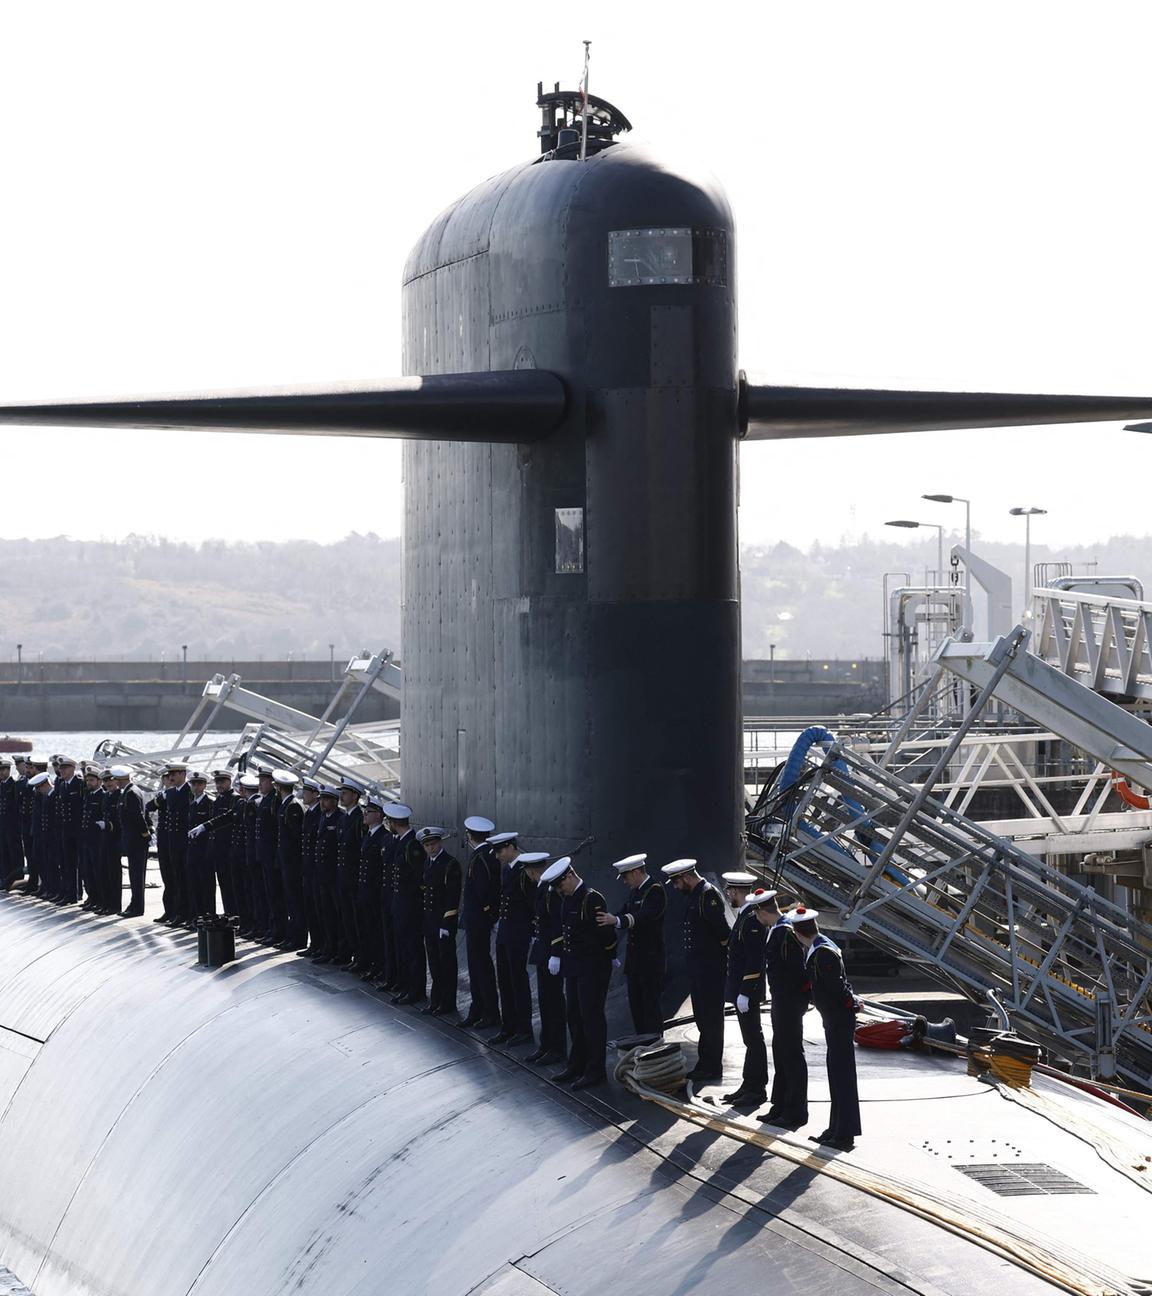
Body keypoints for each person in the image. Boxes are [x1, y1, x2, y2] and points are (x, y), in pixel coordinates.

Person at [786, 907, 861, 1152]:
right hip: (833, 1020)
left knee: (842, 1077)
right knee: (836, 1074)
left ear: (798, 934)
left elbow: (838, 988)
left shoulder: (822, 953)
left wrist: (853, 1003)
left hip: (839, 1020)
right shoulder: (821, 947)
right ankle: (835, 1128)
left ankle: (844, 1133)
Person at [545, 857, 616, 1089]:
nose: (559, 890)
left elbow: (605, 933)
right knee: (574, 1016)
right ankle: (577, 1064)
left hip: (593, 967)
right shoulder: (568, 898)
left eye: (560, 885)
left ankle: (595, 1071)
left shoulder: (591, 899)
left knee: (591, 1018)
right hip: (574, 967)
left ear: (569, 876)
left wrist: (611, 954)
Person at [662, 859, 730, 1083]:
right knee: (702, 1018)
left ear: (686, 877)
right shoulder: (696, 895)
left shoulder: (707, 896)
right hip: (699, 969)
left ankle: (712, 1066)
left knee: (711, 1020)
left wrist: (713, 962)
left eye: (676, 882)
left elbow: (723, 934)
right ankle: (705, 1063)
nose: (675, 887)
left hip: (709, 970)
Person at [599, 853, 666, 1036]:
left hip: (650, 961)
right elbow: (624, 911)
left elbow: (645, 916)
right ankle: (642, 1043)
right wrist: (607, 920)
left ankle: (654, 1045)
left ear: (636, 872)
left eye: (626, 876)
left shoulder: (654, 890)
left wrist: (617, 920)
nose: (624, 881)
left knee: (650, 1008)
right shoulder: (635, 891)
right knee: (637, 1008)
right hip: (635, 962)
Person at [759, 893, 810, 1130]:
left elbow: (797, 971)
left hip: (788, 1001)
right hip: (781, 1000)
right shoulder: (777, 930)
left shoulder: (785, 932)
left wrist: (799, 1001)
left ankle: (795, 1111)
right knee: (780, 1053)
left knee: (791, 1055)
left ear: (761, 912)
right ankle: (779, 1106)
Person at [723, 882, 772, 1109]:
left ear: (735, 891)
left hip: (747, 991)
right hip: (742, 990)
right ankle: (748, 1084)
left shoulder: (752, 921)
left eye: (730, 892)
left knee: (753, 1039)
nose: (729, 895)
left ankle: (756, 1089)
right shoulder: (746, 917)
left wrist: (744, 992)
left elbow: (754, 960)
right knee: (749, 1039)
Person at [490, 832, 534, 1044]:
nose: (497, 856)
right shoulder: (508, 869)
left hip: (518, 934)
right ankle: (508, 1026)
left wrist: (532, 933)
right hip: (505, 933)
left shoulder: (524, 871)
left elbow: (532, 904)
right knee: (505, 981)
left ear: (510, 847)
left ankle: (524, 1029)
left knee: (518, 981)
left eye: (499, 851)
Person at [458, 815, 499, 1028]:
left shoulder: (481, 858)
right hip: (477, 920)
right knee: (477, 967)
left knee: (480, 967)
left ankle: (488, 1012)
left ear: (469, 836)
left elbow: (484, 893)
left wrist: (488, 915)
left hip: (478, 921)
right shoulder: (486, 855)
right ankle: (479, 1009)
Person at [526, 854, 566, 1064]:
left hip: (551, 954)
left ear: (532, 871)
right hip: (543, 952)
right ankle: (546, 1044)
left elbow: (557, 924)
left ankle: (557, 1048)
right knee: (544, 1001)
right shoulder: (542, 889)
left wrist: (556, 954)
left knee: (554, 1002)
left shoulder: (550, 891)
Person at [418, 826, 462, 1016]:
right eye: (427, 845)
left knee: (447, 963)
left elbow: (453, 897)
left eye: (433, 844)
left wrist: (446, 924)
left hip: (443, 921)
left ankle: (447, 1002)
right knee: (434, 963)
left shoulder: (450, 864)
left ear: (440, 843)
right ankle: (435, 1000)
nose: (431, 848)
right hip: (429, 921)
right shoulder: (427, 863)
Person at [386, 804, 426, 1003]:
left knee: (412, 948)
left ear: (394, 823)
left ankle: (415, 990)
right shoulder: (402, 842)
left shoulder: (412, 844)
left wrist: (412, 903)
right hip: (400, 904)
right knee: (403, 947)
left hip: (410, 906)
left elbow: (419, 877)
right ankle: (406, 986)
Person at [355, 798, 388, 979]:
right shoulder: (368, 835)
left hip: (374, 892)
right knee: (366, 929)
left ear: (379, 815)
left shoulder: (383, 837)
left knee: (376, 931)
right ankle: (368, 962)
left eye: (369, 812)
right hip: (364, 890)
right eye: (365, 812)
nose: (365, 815)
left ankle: (379, 966)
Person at [113, 765, 150, 917]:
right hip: (133, 839)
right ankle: (135, 904)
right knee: (135, 874)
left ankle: (137, 907)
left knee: (136, 875)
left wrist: (145, 834)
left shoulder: (131, 793)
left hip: (136, 840)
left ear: (119, 780)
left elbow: (138, 816)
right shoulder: (132, 791)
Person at [274, 770, 305, 950]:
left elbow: (295, 837)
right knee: (290, 900)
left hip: (292, 862)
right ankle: (292, 936)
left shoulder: (292, 806)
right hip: (286, 861)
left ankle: (298, 938)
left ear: (279, 787)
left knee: (295, 901)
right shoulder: (285, 805)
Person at [311, 787, 343, 962]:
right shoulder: (323, 817)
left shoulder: (340, 818)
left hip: (333, 875)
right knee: (324, 913)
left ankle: (338, 950)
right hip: (321, 874)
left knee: (335, 915)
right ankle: (327, 947)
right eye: (321, 799)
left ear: (334, 801)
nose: (322, 803)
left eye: (326, 799)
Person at [335, 781, 364, 968]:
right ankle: (349, 953)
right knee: (345, 918)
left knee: (355, 920)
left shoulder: (359, 819)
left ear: (355, 796)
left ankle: (360, 957)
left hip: (352, 878)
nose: (341, 796)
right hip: (343, 877)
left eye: (345, 793)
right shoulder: (345, 818)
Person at [296, 777, 324, 958]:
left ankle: (321, 944)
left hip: (316, 869)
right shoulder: (309, 813)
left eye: (306, 792)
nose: (303, 795)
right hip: (307, 868)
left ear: (315, 794)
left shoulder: (319, 814)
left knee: (318, 909)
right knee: (310, 908)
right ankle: (314, 943)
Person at [185, 772, 215, 917]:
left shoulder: (210, 803)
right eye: (193, 784)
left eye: (199, 784)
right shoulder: (192, 804)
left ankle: (207, 916)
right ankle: (196, 916)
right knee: (194, 884)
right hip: (193, 849)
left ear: (204, 785)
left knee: (206, 885)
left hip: (205, 850)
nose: (196, 787)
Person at [79, 767, 107, 912]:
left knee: (97, 870)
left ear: (99, 781)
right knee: (87, 870)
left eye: (91, 780)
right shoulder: (88, 795)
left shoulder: (102, 796)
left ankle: (100, 900)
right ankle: (92, 897)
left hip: (97, 839)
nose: (88, 783)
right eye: (87, 780)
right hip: (86, 838)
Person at [100, 769, 122, 915]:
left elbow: (120, 819)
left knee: (114, 873)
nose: (108, 783)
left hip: (115, 838)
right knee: (105, 872)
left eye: (111, 780)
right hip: (105, 838)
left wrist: (108, 825)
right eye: (106, 780)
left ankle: (115, 905)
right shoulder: (106, 796)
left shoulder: (120, 796)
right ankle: (106, 903)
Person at [0, 756, 24, 890]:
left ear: (8, 770)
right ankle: (5, 878)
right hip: (2, 826)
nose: (1, 773)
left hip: (12, 826)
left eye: (3, 770)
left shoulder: (14, 785)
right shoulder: (1, 785)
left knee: (14, 853)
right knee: (3, 852)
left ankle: (17, 880)